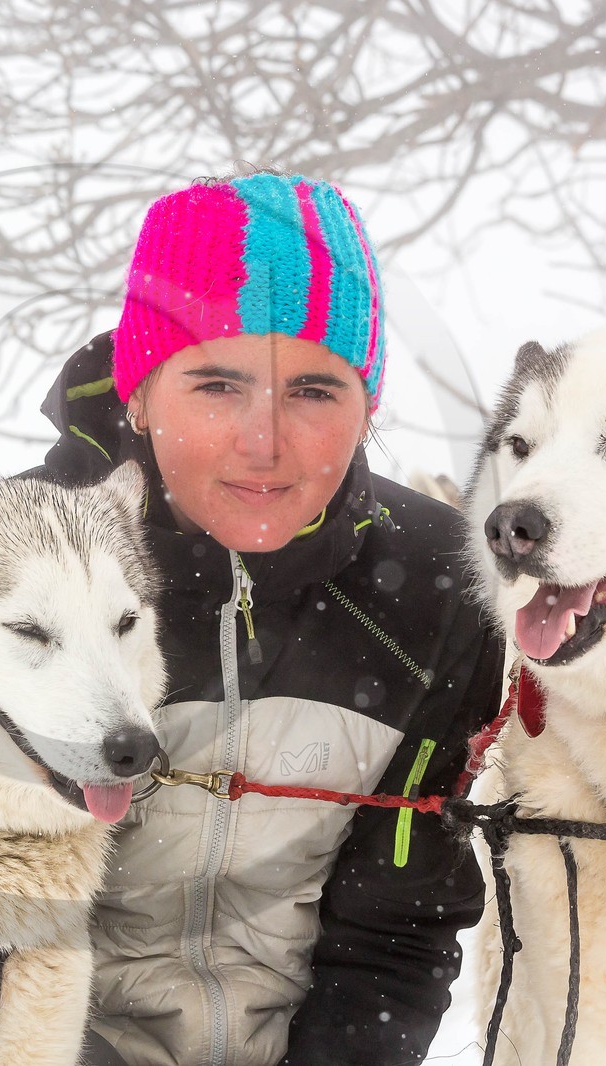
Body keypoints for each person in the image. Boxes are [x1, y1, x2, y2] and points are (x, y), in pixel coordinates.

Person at [31, 171, 507, 1066]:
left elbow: (396, 928)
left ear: (369, 405)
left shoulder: (439, 588)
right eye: (217, 385)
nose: (264, 441)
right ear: (138, 391)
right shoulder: (9, 570)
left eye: (315, 392)